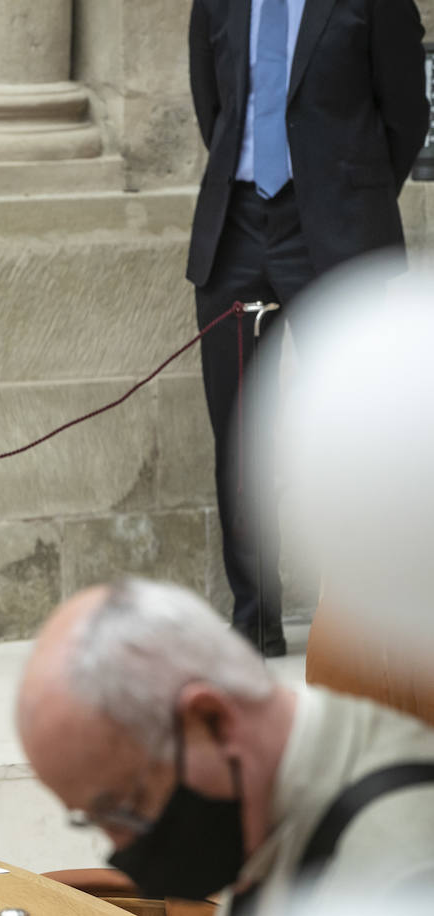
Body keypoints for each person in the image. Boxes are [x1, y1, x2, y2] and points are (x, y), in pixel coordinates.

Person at [186, 0, 429, 656]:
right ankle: (254, 622)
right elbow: (213, 108)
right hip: (235, 235)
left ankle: (355, 620)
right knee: (238, 438)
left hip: (338, 234)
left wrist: (346, 194)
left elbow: (407, 114)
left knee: (354, 435)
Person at [17, 578, 434, 914]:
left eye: (123, 807)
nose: (121, 847)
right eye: (94, 819)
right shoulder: (274, 812)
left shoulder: (396, 875)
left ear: (211, 718)